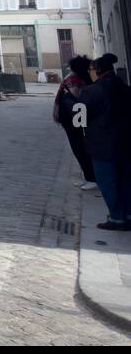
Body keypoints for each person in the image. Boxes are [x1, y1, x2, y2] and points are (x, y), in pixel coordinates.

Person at [77, 54, 131, 231]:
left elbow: (79, 120)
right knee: (125, 180)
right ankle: (128, 215)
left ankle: (116, 218)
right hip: (125, 143)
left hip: (102, 145)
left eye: (91, 69)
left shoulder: (91, 91)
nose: (90, 72)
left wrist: (70, 101)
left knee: (108, 182)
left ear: (98, 71)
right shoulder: (125, 89)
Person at [54, 56, 96, 189]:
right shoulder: (82, 78)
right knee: (80, 146)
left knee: (79, 147)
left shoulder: (74, 79)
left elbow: (76, 96)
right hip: (76, 117)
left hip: (74, 118)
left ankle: (91, 178)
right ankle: (89, 176)